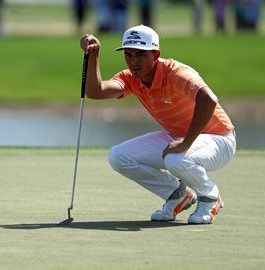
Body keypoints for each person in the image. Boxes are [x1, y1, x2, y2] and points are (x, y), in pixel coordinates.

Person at [79, 25, 236, 224]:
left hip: (220, 138)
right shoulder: (130, 78)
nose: (133, 62)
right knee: (118, 157)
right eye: (128, 55)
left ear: (155, 54)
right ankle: (178, 194)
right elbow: (96, 92)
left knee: (175, 159)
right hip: (178, 136)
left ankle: (209, 196)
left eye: (140, 55)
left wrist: (185, 143)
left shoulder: (176, 72)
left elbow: (208, 100)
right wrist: (94, 55)